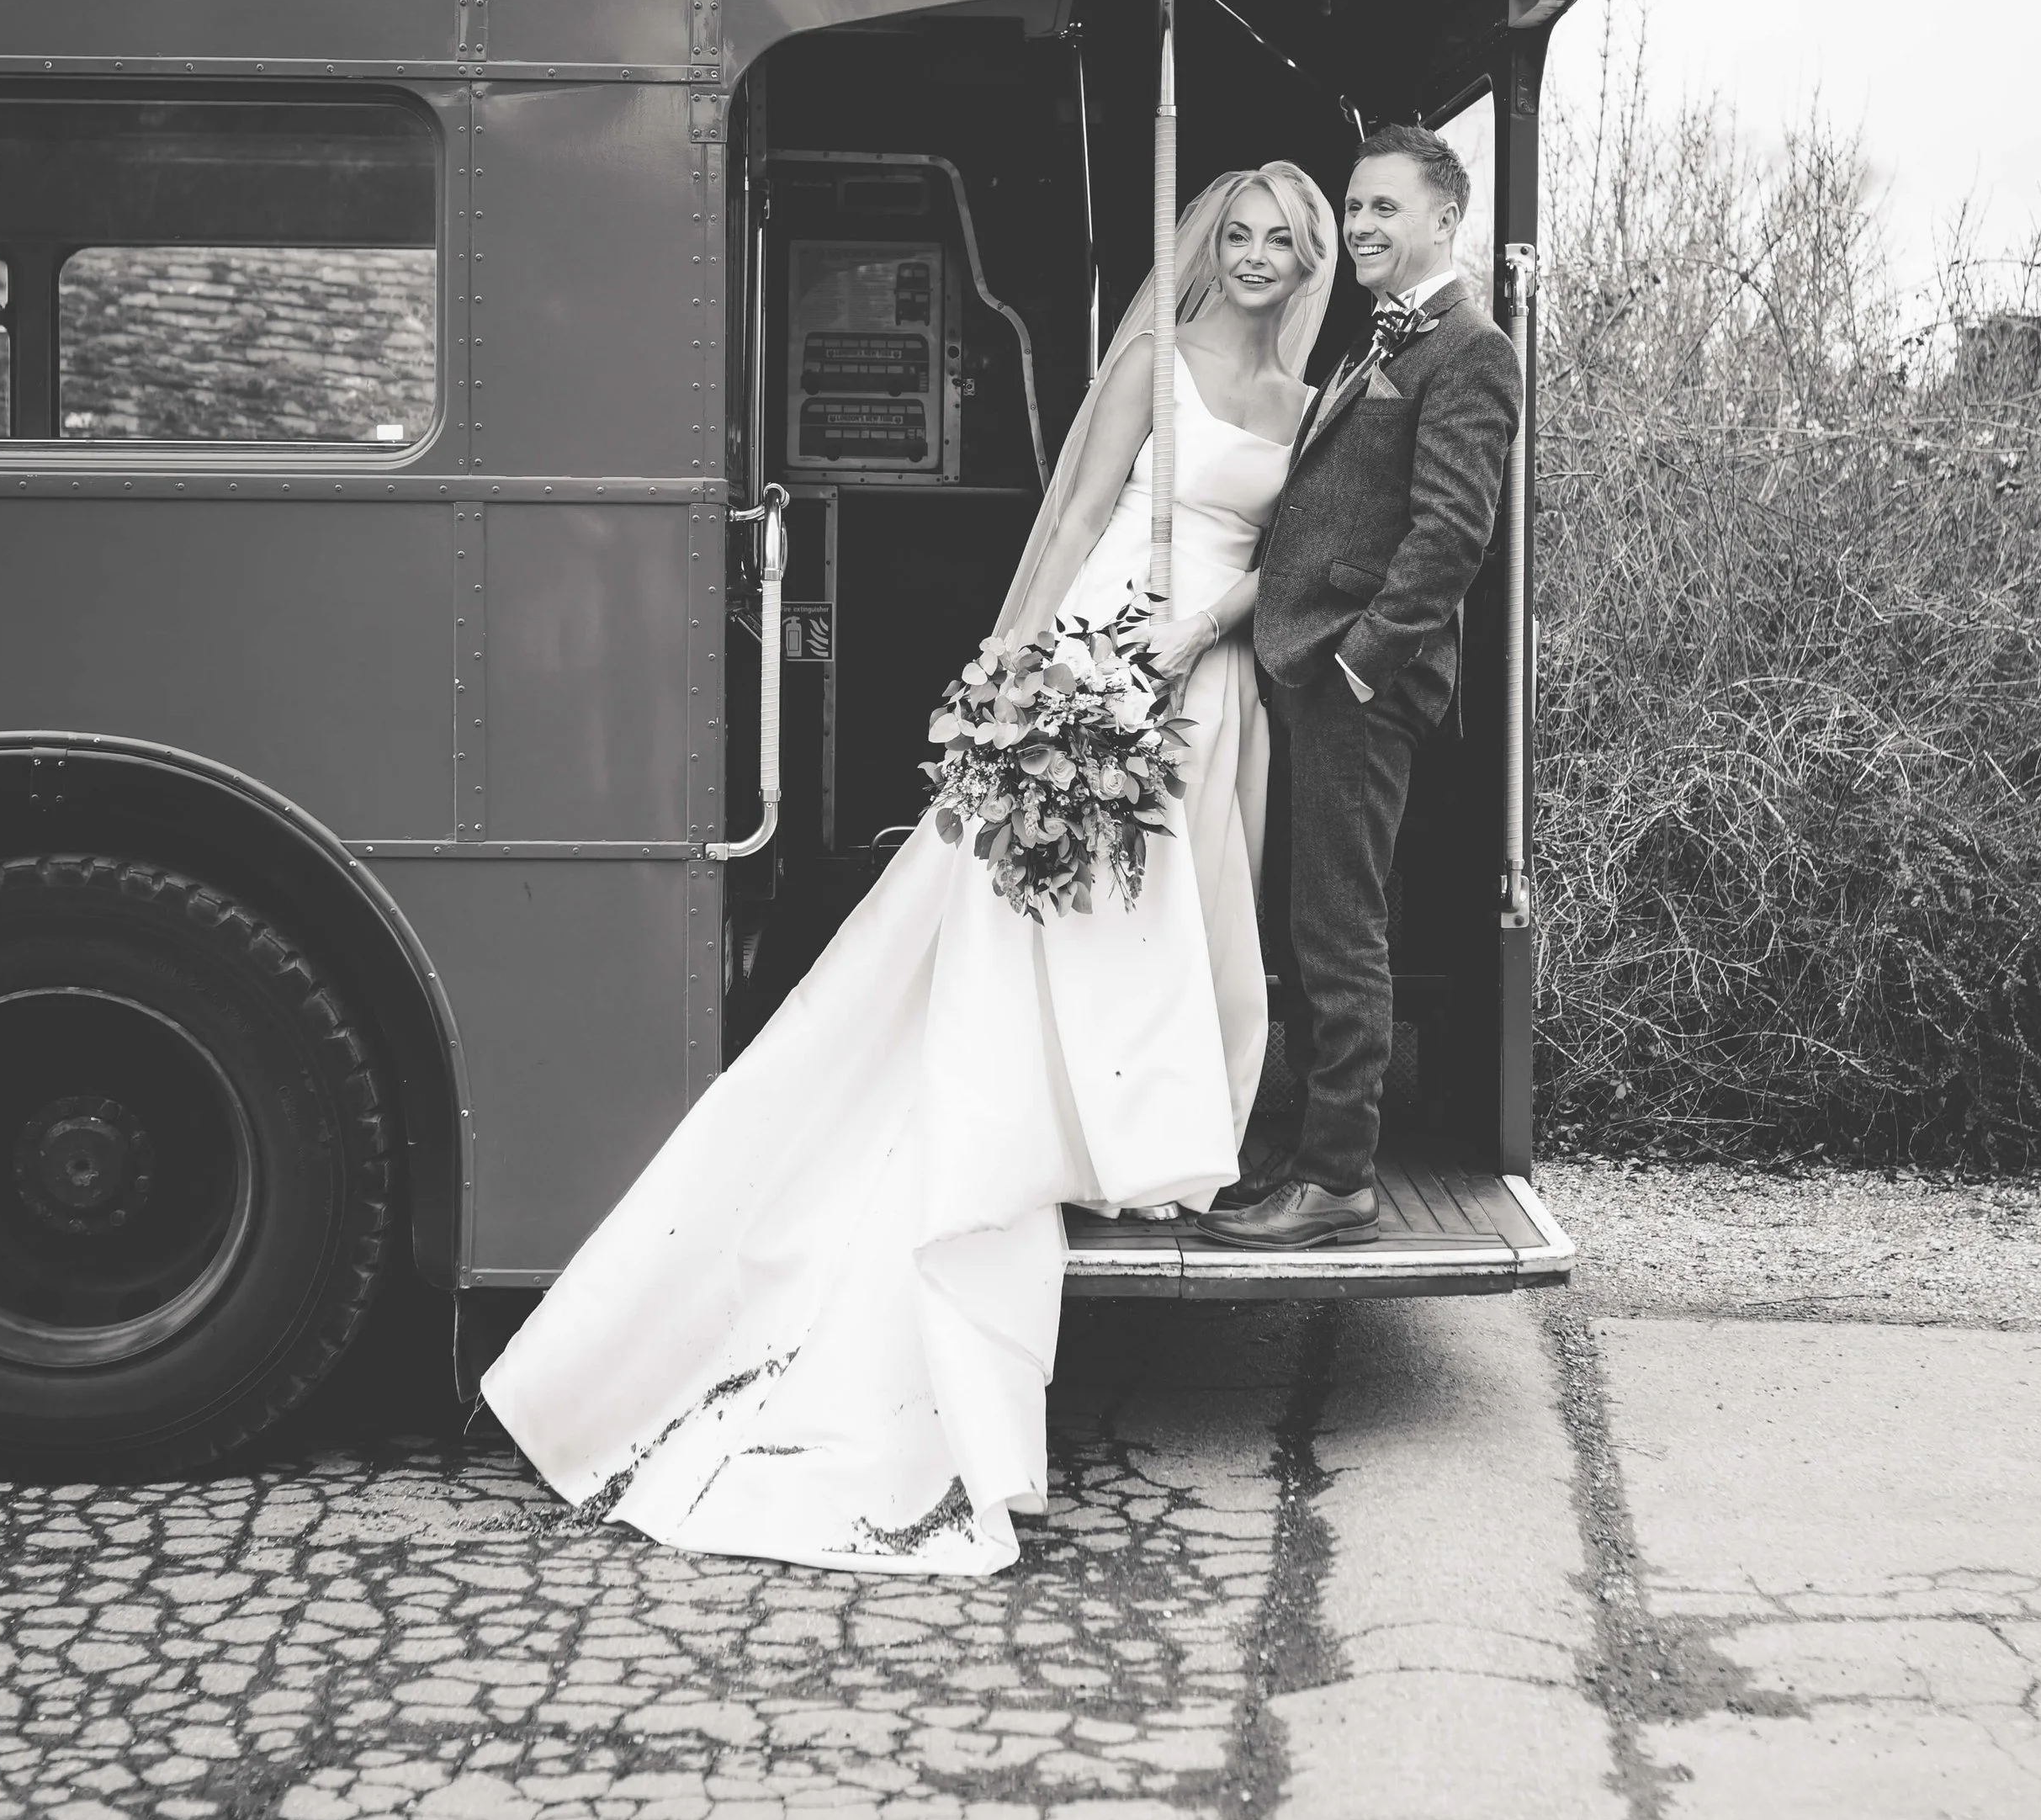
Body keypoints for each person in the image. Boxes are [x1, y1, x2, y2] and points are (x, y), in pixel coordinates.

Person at [481, 164, 1338, 1573]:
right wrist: (1017, 669)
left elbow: (1296, 557)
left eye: (1281, 243)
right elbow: (1073, 515)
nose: (1255, 257)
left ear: (1309, 265)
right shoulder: (1158, 363)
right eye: (1237, 235)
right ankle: (1037, 1137)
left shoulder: (1307, 414)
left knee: (1178, 918)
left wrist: (1216, 625)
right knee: (1048, 914)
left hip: (1213, 676)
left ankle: (1137, 1149)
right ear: (1211, 251)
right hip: (1103, 646)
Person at [1199, 124, 1523, 1250]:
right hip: (1309, 669)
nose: (1367, 226)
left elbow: (1451, 539)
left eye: (1388, 208)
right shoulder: (1379, 337)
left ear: (1446, 216)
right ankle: (1312, 1158)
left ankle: (1337, 1179)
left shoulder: (1469, 349)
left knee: (1340, 931)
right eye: (1358, 208)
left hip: (1354, 684)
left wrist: (1355, 665)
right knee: (1312, 921)